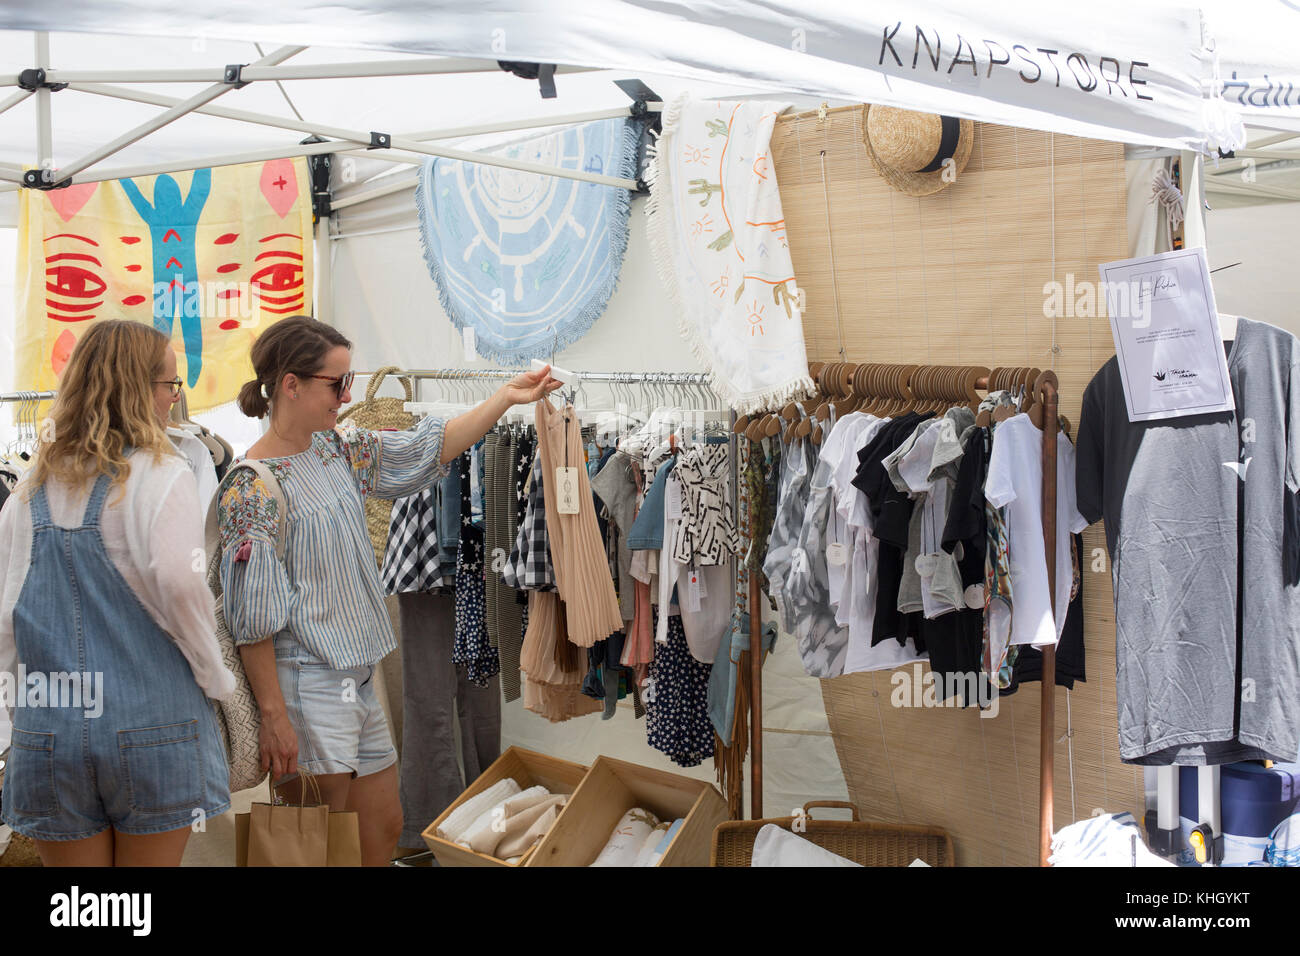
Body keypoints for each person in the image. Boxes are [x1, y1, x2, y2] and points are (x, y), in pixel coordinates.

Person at [219, 316, 560, 866]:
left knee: (383, 826)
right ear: (290, 384)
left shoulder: (334, 450)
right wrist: (274, 715)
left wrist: (505, 398)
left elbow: (429, 448)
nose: (348, 394)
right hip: (305, 683)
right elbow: (251, 619)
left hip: (356, 678)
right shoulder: (251, 486)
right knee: (307, 848)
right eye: (337, 383)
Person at [0, 320, 235, 866]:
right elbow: (181, 583)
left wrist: (13, 720)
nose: (174, 400)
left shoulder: (29, 490)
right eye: (169, 385)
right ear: (136, 388)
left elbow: (6, 620)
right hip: (151, 723)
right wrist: (213, 676)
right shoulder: (160, 475)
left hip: (49, 729)